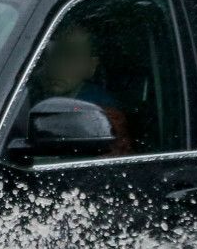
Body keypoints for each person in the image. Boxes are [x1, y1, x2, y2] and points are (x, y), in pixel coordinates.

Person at [34, 20, 132, 154]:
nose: (58, 64)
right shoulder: (24, 93)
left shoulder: (104, 117)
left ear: (90, 66)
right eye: (54, 53)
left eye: (71, 56)